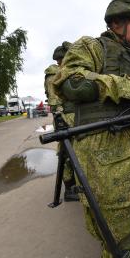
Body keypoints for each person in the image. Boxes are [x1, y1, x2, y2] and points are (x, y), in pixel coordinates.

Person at [53, 0, 130, 258]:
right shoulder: (91, 47)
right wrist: (127, 86)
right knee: (123, 246)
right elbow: (70, 81)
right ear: (116, 22)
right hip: (105, 168)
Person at [44, 41, 79, 202]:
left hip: (75, 116)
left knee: (77, 152)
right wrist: (59, 119)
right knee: (65, 153)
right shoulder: (54, 72)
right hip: (64, 117)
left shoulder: (68, 70)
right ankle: (69, 188)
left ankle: (76, 184)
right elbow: (53, 98)